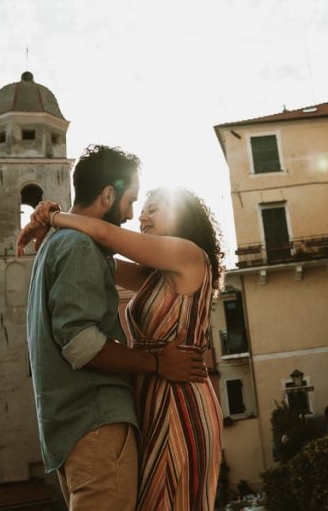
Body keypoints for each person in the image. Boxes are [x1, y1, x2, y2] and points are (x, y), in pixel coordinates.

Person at [22, 145, 208, 511]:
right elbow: (82, 342)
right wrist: (155, 364)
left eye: (152, 207)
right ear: (108, 194)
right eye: (135, 202)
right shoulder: (79, 247)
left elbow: (104, 239)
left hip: (164, 401)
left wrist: (55, 217)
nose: (136, 215)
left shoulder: (186, 255)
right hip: (107, 417)